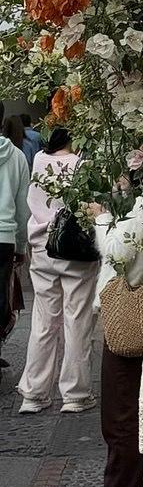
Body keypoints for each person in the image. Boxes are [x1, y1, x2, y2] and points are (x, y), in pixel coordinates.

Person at [81, 195, 143, 487]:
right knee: (123, 405)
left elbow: (118, 252)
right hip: (133, 307)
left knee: (120, 409)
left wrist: (101, 218)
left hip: (128, 310)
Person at [17, 126, 100, 415]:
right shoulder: (83, 165)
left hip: (42, 247)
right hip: (75, 250)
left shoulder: (39, 160)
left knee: (43, 320)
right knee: (77, 319)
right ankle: (75, 394)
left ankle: (34, 393)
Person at [0, 112, 30, 375]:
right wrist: (21, 246)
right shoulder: (17, 157)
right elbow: (23, 208)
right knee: (1, 297)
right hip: (5, 237)